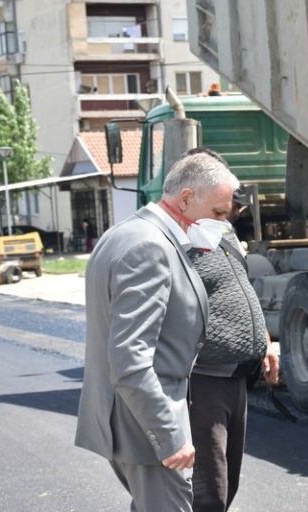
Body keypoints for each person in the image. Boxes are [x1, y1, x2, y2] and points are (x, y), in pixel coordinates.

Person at [75, 152, 238, 512]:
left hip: (130, 424)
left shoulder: (124, 233)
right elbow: (129, 360)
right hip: (145, 431)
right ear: (185, 199)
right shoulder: (150, 247)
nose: (223, 225)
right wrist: (168, 436)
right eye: (218, 214)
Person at [187, 154, 279, 512]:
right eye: (223, 210)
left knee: (226, 486)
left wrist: (266, 343)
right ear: (191, 197)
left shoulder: (222, 233)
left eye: (233, 210)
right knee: (206, 494)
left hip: (234, 378)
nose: (230, 218)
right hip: (202, 380)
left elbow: (240, 290)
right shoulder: (171, 241)